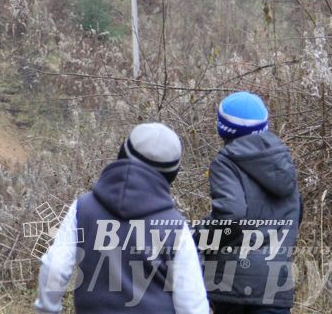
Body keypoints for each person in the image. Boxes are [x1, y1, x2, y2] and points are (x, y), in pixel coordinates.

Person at [34, 123, 208, 314]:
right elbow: (192, 306)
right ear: (171, 175)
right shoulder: (175, 227)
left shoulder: (83, 208)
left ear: (121, 155)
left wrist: (47, 310)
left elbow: (55, 267)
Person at [195, 92, 301, 314]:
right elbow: (296, 213)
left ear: (223, 128)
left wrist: (197, 236)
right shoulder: (282, 160)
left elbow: (231, 216)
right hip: (276, 284)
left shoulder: (225, 163)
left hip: (234, 285)